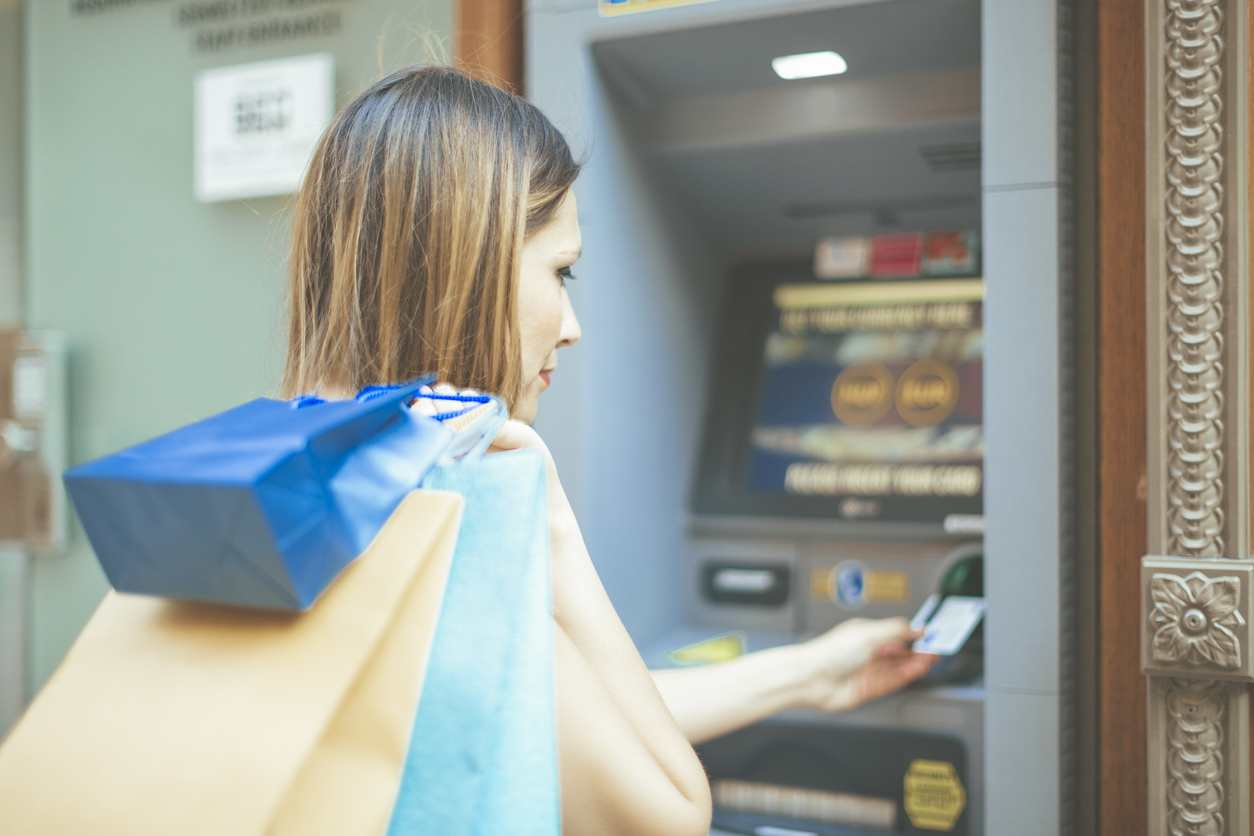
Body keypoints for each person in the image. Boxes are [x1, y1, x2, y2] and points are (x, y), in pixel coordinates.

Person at [281, 64, 936, 836]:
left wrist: (809, 671)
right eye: (561, 272)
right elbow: (667, 814)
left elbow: (565, 724)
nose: (571, 324)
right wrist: (547, 520)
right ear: (470, 266)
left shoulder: (301, 471)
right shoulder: (441, 521)